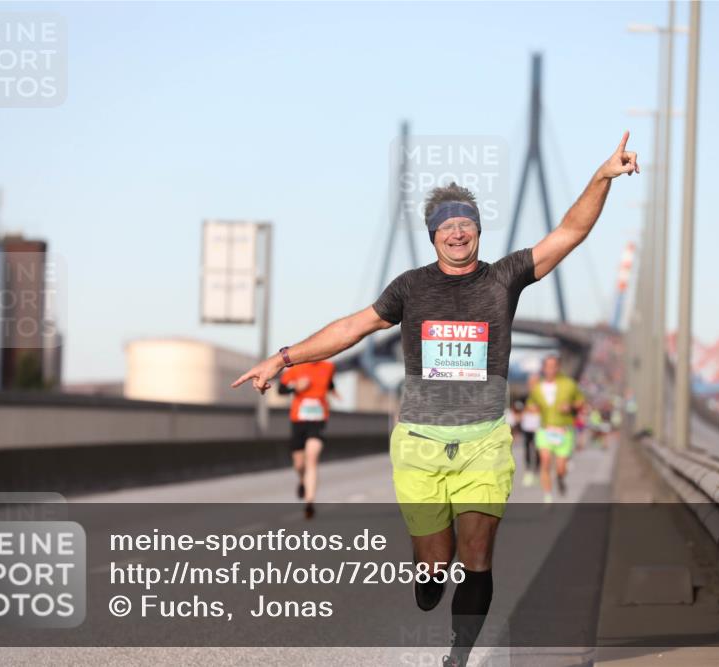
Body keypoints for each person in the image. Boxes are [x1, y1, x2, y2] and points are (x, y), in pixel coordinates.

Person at [232, 132, 638, 666]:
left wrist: (602, 176)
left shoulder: (504, 278)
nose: (456, 232)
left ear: (477, 230)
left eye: (465, 223)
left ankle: (459, 654)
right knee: (434, 565)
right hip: (420, 442)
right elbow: (353, 328)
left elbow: (569, 232)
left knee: (476, 555)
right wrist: (285, 357)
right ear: (432, 236)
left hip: (484, 441)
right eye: (446, 225)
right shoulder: (409, 288)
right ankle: (426, 569)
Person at [277, 360, 338, 519]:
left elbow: (329, 383)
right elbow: (281, 389)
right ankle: (302, 480)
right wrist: (295, 387)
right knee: (299, 463)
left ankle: (309, 503)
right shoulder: (294, 367)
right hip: (298, 420)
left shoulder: (329, 367)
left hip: (318, 420)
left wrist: (334, 392)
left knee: (312, 458)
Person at [526, 355, 585, 502]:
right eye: (547, 366)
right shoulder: (537, 387)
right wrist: (532, 408)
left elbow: (581, 402)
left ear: (558, 367)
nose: (550, 370)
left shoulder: (569, 384)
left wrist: (570, 406)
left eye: (553, 366)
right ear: (543, 368)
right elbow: (530, 404)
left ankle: (560, 477)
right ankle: (547, 496)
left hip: (563, 431)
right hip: (545, 429)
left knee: (560, 468)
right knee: (545, 461)